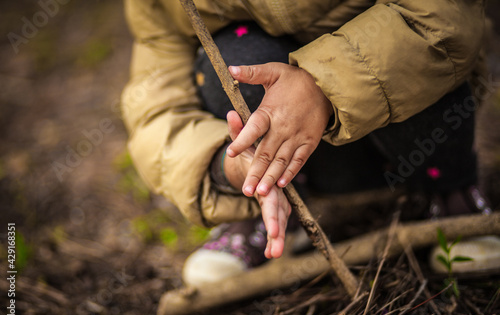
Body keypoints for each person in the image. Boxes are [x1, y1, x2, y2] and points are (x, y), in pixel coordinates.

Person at [121, 0, 499, 286]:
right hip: (301, 164)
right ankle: (268, 209)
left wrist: (320, 86)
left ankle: (452, 195)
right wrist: (226, 165)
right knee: (232, 58)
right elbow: (157, 103)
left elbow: (442, 16)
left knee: (414, 59)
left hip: (404, 131)